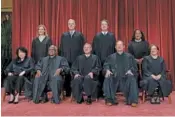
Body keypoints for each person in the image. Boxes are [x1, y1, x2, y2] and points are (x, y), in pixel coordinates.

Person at [103, 40, 138, 107]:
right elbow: (106, 65)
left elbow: (134, 67)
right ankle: (109, 100)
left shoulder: (129, 56)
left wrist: (131, 70)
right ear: (115, 47)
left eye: (121, 45)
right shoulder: (111, 57)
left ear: (124, 47)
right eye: (117, 45)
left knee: (131, 78)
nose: (119, 46)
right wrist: (107, 70)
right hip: (114, 78)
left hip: (125, 78)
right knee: (108, 77)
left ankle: (133, 100)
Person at [59, 19, 86, 96]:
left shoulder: (79, 35)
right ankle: (68, 92)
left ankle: (76, 91)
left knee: (76, 75)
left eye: (72, 23)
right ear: (67, 25)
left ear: (75, 25)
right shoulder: (64, 35)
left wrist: (82, 58)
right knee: (67, 75)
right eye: (69, 24)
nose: (71, 25)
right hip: (66, 58)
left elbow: (83, 47)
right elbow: (61, 47)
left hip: (76, 58)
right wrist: (62, 59)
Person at [92, 19, 116, 97]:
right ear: (100, 26)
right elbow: (94, 48)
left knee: (108, 75)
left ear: (108, 26)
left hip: (109, 60)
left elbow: (114, 48)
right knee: (99, 76)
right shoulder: (97, 36)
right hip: (99, 59)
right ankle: (99, 92)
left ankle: (108, 92)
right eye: (102, 24)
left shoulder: (112, 36)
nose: (104, 25)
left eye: (105, 24)